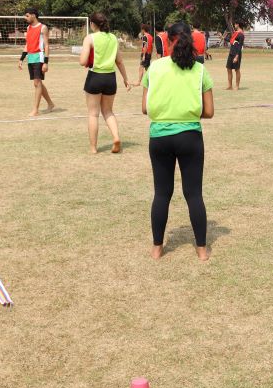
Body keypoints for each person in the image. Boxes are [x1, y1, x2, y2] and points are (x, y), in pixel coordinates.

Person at [142, 22, 214, 261]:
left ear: (169, 40)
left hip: (159, 137)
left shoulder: (154, 67)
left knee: (162, 194)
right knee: (194, 194)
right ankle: (202, 250)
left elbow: (145, 108)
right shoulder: (200, 70)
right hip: (190, 137)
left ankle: (157, 248)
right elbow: (209, 111)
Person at [79, 13, 130, 154]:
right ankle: (116, 137)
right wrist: (125, 79)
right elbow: (119, 61)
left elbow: (83, 61)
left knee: (93, 114)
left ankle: (93, 148)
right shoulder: (113, 38)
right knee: (108, 112)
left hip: (95, 76)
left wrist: (87, 57)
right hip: (110, 78)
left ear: (92, 24)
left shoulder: (90, 38)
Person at [17, 7, 55, 117]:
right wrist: (21, 59)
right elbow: (27, 45)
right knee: (38, 83)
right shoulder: (28, 28)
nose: (25, 18)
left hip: (39, 57)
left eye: (27, 15)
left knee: (36, 83)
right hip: (31, 58)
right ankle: (51, 104)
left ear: (33, 15)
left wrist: (46, 62)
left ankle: (35, 110)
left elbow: (47, 45)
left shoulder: (43, 28)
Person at [226, 22, 245, 90]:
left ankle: (237, 86)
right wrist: (222, 37)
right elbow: (231, 40)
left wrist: (237, 56)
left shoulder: (241, 34)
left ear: (238, 24)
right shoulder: (236, 33)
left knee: (237, 70)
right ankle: (230, 86)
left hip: (236, 54)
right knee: (228, 69)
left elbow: (240, 46)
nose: (234, 25)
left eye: (235, 24)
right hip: (231, 52)